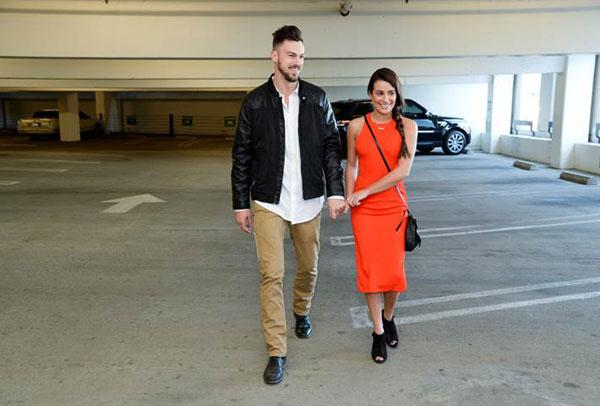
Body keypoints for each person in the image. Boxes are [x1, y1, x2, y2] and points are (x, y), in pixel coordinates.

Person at [231, 25, 346, 385]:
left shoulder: (318, 99)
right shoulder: (255, 101)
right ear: (275, 56)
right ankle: (276, 352)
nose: (297, 62)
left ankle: (302, 310)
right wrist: (240, 203)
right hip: (268, 200)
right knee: (272, 274)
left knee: (308, 269)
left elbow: (331, 147)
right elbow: (242, 155)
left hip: (309, 200)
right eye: (292, 55)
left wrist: (336, 191)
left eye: (301, 56)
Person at [345, 68, 418, 364]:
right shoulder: (357, 127)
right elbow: (350, 166)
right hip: (364, 213)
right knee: (371, 273)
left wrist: (365, 191)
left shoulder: (408, 126)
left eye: (390, 93)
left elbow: (403, 171)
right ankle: (377, 332)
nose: (385, 99)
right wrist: (351, 195)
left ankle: (389, 316)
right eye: (379, 93)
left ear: (397, 95)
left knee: (394, 275)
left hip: (392, 208)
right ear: (370, 95)